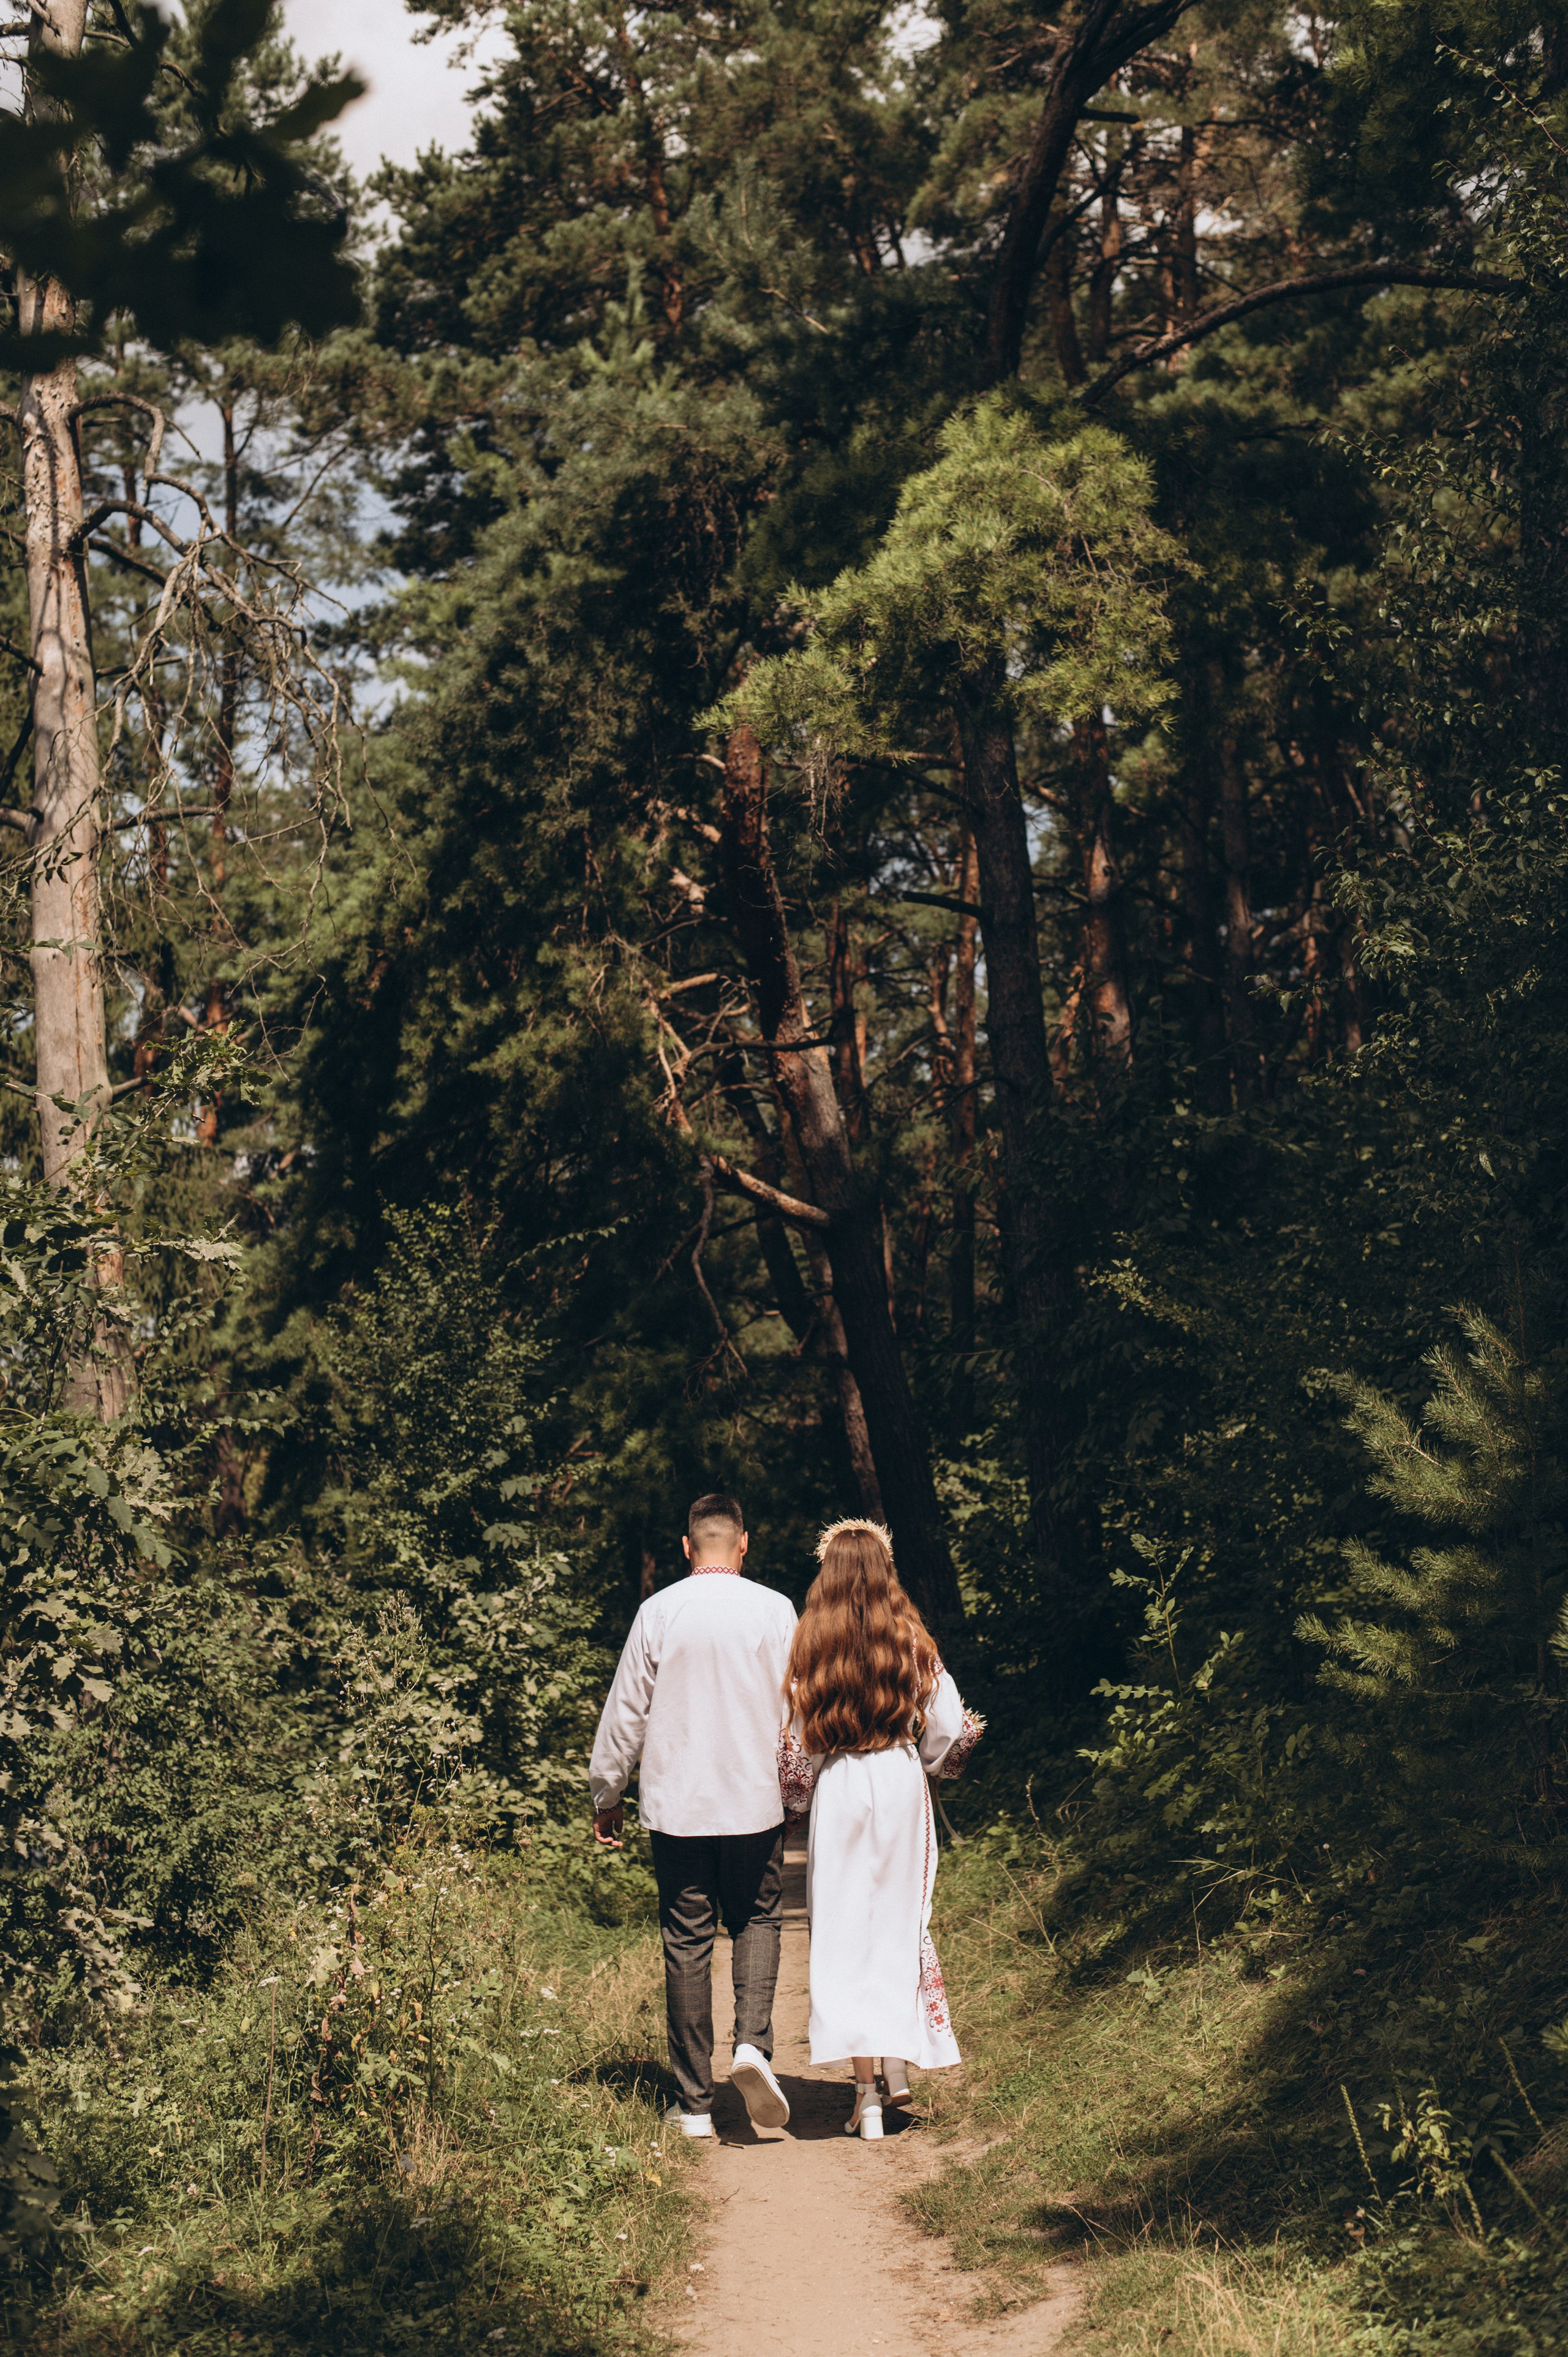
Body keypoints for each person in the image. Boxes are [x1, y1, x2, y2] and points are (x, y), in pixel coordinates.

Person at [589, 1492, 797, 2140]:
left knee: (687, 1941)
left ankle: (695, 2103)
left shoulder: (659, 1611)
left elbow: (626, 1711)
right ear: (743, 1543)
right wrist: (801, 1792)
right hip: (754, 1798)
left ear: (686, 1547)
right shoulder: (774, 1609)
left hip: (678, 1807)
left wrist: (608, 1791)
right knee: (758, 1917)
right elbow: (799, 1707)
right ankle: (753, 2047)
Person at [778, 1517, 983, 2140]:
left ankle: (867, 2090)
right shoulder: (909, 1637)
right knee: (899, 1919)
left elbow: (794, 1744)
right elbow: (948, 1721)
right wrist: (930, 1763)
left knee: (842, 1931)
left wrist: (802, 1789)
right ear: (884, 1568)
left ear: (827, 1572)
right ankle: (897, 2064)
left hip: (840, 1782)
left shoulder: (811, 1641)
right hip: (897, 1777)